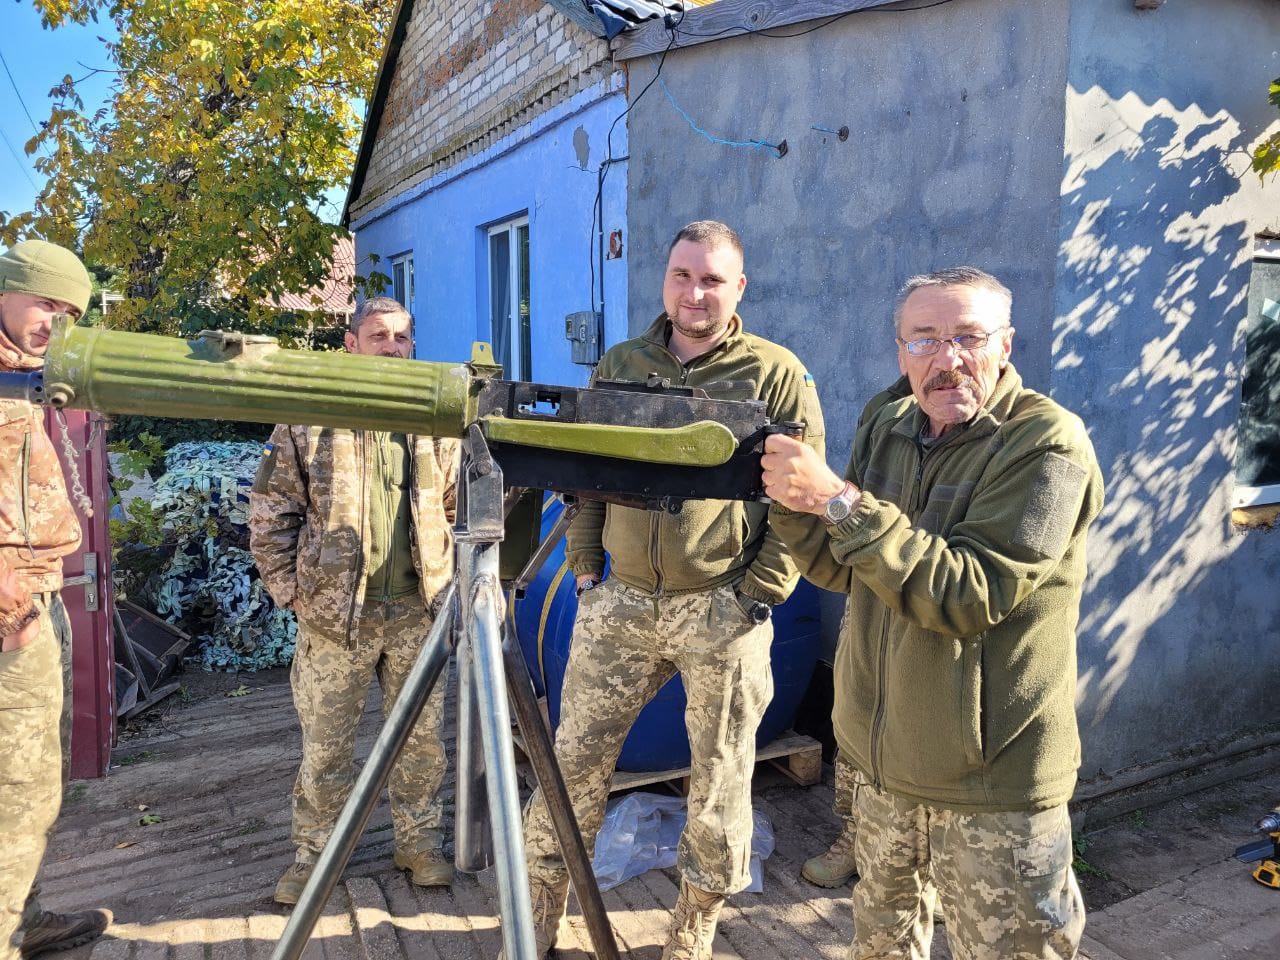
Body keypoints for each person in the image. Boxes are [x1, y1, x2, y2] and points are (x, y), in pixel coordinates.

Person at [762, 266, 1103, 959]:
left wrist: (840, 503)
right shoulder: (889, 424)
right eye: (925, 340)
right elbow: (840, 569)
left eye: (967, 337)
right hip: (880, 768)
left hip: (990, 788)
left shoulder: (1045, 446)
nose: (947, 361)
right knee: (883, 947)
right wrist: (788, 502)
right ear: (900, 352)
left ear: (1005, 346)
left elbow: (969, 593)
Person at [512, 221, 825, 960]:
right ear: (665, 280)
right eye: (683, 276)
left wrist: (760, 592)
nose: (695, 293)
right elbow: (589, 469)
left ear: (738, 288)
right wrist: (587, 564)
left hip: (720, 606)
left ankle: (692, 933)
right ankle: (536, 924)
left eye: (712, 280)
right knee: (573, 763)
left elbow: (798, 496)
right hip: (620, 603)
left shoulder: (774, 374)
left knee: (720, 782)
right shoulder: (623, 362)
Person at [249, 296, 460, 905]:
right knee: (327, 743)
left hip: (417, 613)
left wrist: (445, 576)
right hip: (335, 619)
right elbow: (270, 514)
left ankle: (419, 845)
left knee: (420, 741)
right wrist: (295, 593)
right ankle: (315, 854)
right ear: (352, 344)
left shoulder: (431, 418)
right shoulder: (311, 416)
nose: (392, 347)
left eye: (401, 337)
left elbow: (454, 504)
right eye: (378, 335)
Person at [0, 240, 111, 959]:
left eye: (69, 311)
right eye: (46, 302)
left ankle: (20, 914)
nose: (55, 322)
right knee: (15, 787)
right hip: (6, 610)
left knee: (33, 782)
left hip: (34, 602)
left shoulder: (27, 377)